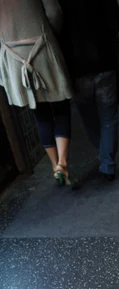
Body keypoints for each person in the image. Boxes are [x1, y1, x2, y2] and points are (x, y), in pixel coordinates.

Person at [0, 0, 74, 186]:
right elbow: (55, 13)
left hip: (15, 58)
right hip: (42, 50)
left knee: (40, 113)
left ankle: (53, 165)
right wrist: (51, 34)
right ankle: (62, 163)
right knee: (61, 105)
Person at [59, 0, 119, 182]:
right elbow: (114, 22)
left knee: (88, 117)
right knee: (109, 116)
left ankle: (104, 154)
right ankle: (107, 163)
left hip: (77, 66)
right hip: (105, 60)